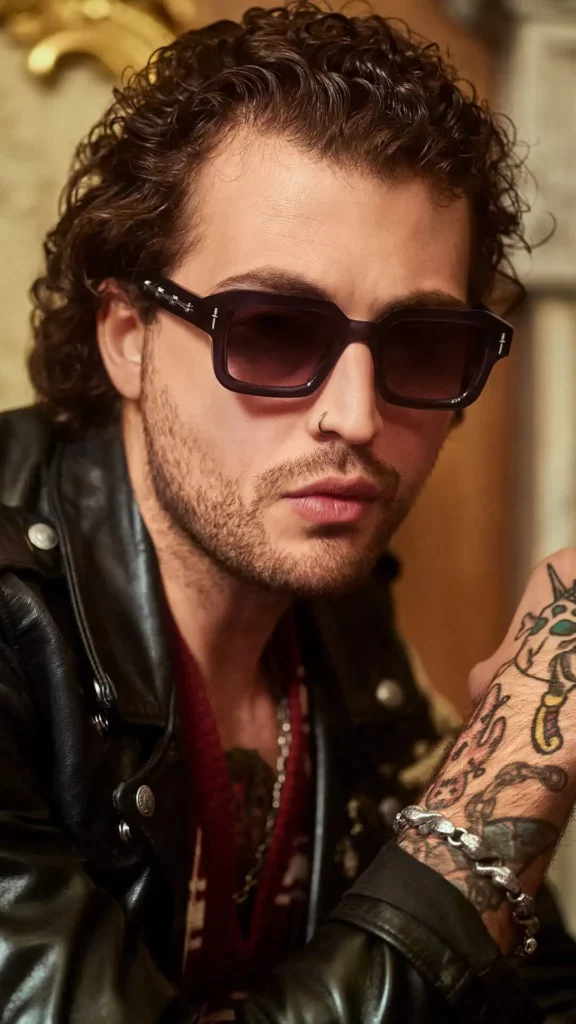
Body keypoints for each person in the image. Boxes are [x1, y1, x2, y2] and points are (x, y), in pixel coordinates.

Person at [1, 3, 576, 1021]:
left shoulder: (337, 615)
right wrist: (499, 789)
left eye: (419, 345)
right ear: (128, 334)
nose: (356, 417)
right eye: (270, 330)